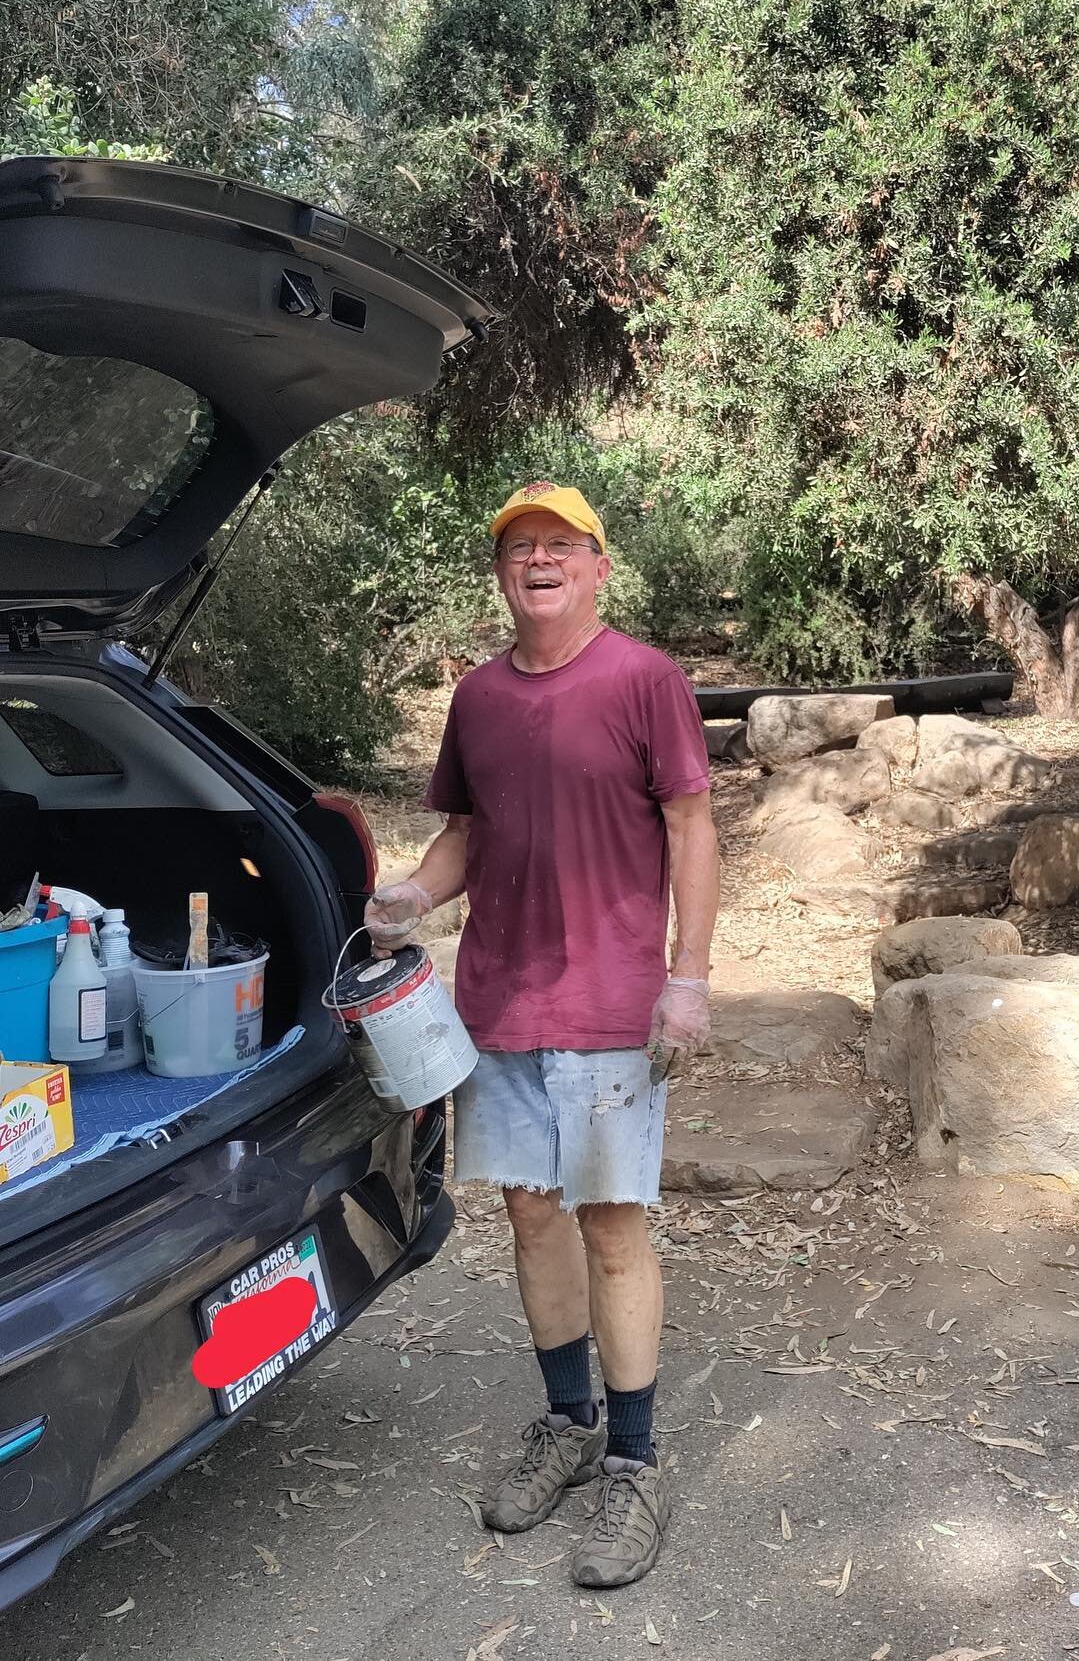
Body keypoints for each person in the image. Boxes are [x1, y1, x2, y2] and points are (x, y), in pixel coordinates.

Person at [363, 481, 719, 1590]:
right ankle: (568, 1423)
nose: (539, 560)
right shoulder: (476, 698)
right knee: (528, 1217)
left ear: (598, 566)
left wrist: (690, 978)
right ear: (502, 574)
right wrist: (416, 896)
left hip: (612, 1005)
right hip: (501, 1002)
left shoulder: (645, 680)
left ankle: (635, 1458)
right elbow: (466, 835)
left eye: (560, 544)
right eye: (519, 548)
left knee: (613, 1227)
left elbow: (693, 826)